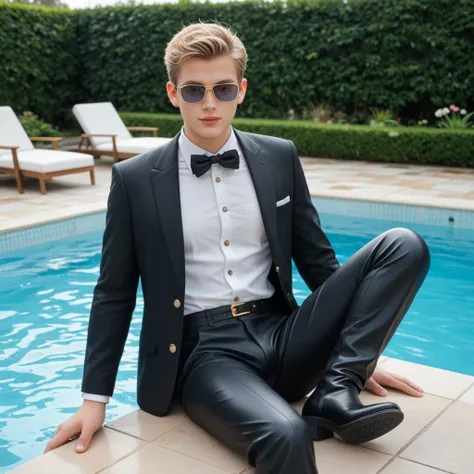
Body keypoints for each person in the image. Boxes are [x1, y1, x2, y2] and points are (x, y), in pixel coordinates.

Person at [45, 22, 430, 473]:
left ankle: (335, 390)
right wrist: (95, 399)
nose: (209, 103)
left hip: (283, 334)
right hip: (206, 353)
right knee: (287, 434)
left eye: (223, 89)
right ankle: (321, 397)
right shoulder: (135, 180)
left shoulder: (280, 155)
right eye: (194, 91)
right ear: (172, 93)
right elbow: (113, 291)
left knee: (404, 245)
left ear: (241, 90)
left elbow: (318, 261)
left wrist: (357, 355)